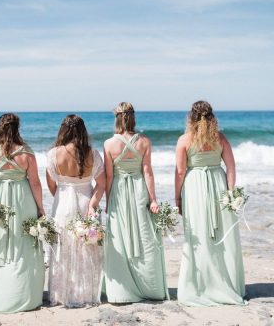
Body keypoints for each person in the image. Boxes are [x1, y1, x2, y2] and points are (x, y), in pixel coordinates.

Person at [175, 100, 245, 306]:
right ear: (212, 117)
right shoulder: (220, 138)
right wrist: (231, 194)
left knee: (199, 236)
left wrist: (177, 197)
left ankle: (200, 286)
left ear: (191, 118)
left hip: (195, 187)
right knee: (223, 237)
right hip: (218, 186)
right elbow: (231, 167)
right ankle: (226, 285)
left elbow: (180, 172)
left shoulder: (184, 140)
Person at [0, 113, 45, 313]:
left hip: (0, 199)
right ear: (17, 128)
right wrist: (41, 207)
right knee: (23, 243)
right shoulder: (27, 153)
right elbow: (35, 182)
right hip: (23, 199)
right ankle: (25, 293)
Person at [103, 102, 169, 303]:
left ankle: (122, 290)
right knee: (144, 235)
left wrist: (108, 201)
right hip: (139, 188)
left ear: (117, 118)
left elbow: (108, 176)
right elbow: (147, 171)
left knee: (120, 236)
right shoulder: (144, 141)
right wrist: (153, 199)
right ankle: (150, 286)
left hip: (119, 191)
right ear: (132, 118)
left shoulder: (109, 144)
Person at [46, 114, 106, 307]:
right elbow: (101, 184)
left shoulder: (54, 154)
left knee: (63, 248)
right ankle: (85, 294)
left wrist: (62, 196)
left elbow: (51, 184)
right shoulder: (93, 153)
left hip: (62, 203)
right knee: (86, 248)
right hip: (85, 201)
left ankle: (63, 295)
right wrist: (92, 206)